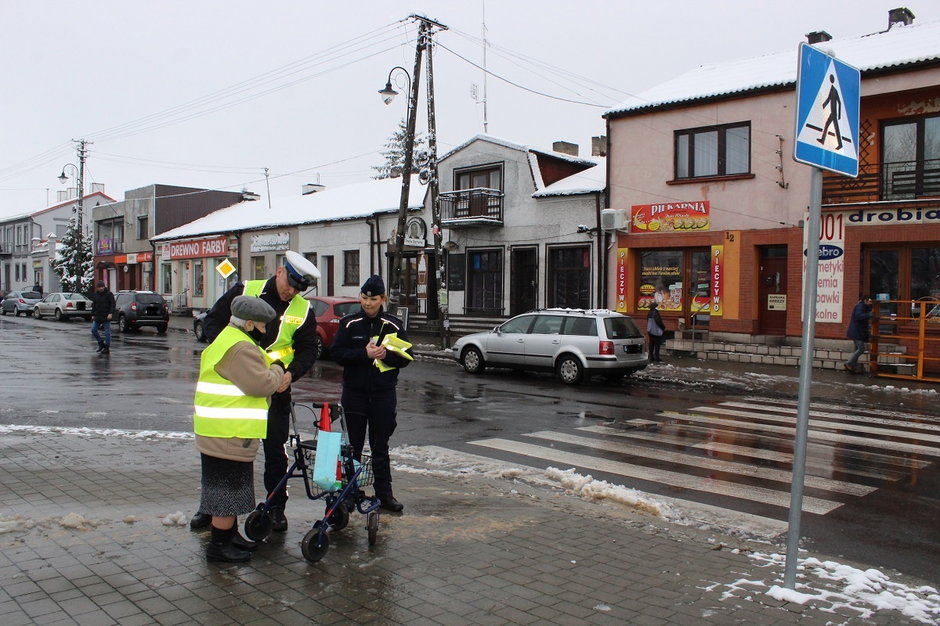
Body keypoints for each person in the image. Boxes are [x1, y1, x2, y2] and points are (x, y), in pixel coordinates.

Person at [189, 251, 320, 532]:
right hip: (235, 390)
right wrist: (232, 357)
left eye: (299, 289)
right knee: (222, 457)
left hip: (275, 390)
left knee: (275, 452)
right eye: (291, 284)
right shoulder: (245, 291)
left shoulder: (302, 310)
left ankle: (274, 507)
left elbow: (309, 349)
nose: (292, 291)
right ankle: (211, 510)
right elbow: (213, 322)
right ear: (280, 271)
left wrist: (290, 373)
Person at [194, 296, 286, 562]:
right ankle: (219, 546)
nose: (265, 331)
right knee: (226, 491)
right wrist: (279, 370)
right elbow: (260, 384)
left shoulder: (229, 339)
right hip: (227, 433)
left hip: (222, 431)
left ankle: (230, 535)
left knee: (231, 489)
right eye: (262, 325)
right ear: (248, 324)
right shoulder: (240, 348)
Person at [331, 275, 412, 512]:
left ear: (383, 299)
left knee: (380, 446)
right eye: (364, 298)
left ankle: (384, 495)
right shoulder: (349, 323)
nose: (367, 303)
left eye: (373, 299)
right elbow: (337, 353)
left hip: (383, 394)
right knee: (352, 446)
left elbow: (406, 358)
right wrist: (363, 355)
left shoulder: (393, 325)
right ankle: (349, 492)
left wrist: (386, 355)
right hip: (354, 393)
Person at [844, 295, 874, 373]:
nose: (870, 303)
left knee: (857, 349)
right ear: (865, 301)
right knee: (861, 349)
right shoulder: (860, 307)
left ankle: (853, 366)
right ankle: (849, 363)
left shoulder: (862, 306)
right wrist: (869, 314)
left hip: (856, 331)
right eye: (869, 301)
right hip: (857, 332)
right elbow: (859, 316)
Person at [90, 280, 115, 355]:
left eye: (102, 287)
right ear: (97, 288)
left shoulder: (109, 294)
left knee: (107, 332)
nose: (101, 288)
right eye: (99, 287)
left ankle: (107, 347)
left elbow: (113, 304)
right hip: (98, 315)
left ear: (104, 287)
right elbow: (94, 305)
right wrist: (93, 314)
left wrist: (111, 313)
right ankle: (101, 343)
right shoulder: (96, 295)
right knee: (93, 330)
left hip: (106, 316)